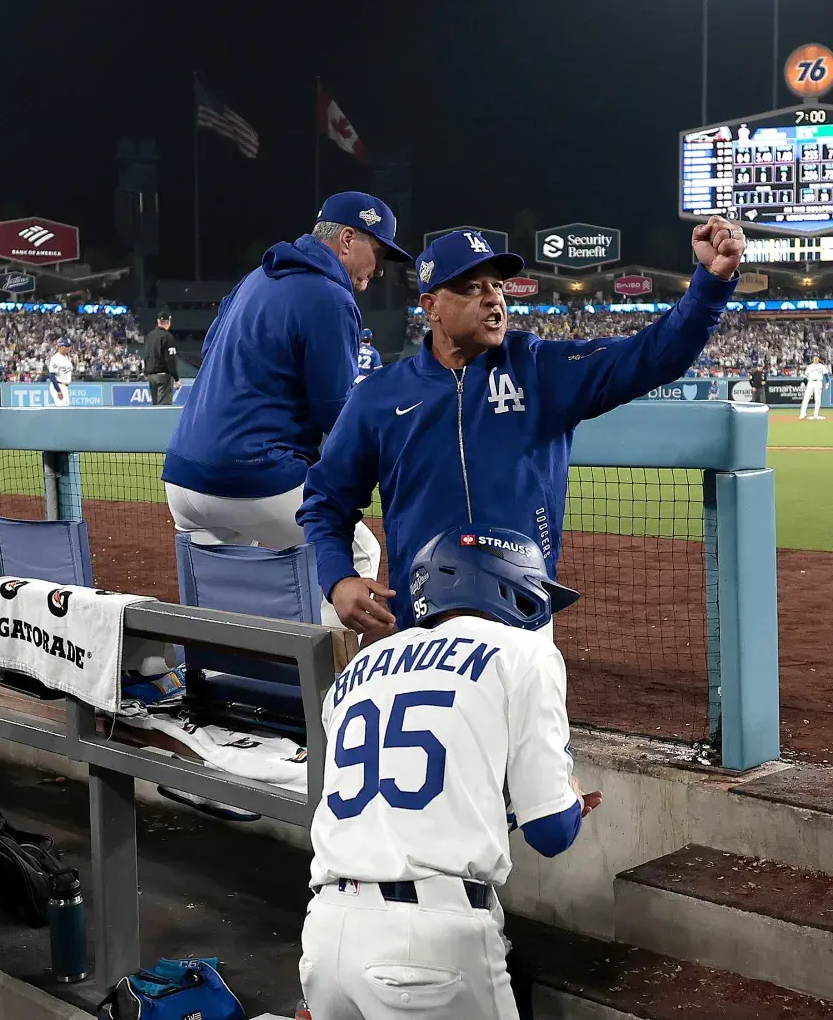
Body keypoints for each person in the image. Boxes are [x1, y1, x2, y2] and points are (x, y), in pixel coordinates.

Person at [299, 220, 743, 640]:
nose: (493, 298)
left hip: (521, 614)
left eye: (497, 285)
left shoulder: (537, 368)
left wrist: (710, 283)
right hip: (421, 620)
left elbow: (651, 355)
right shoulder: (379, 395)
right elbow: (326, 500)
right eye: (472, 287)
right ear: (431, 306)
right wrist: (339, 579)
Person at [299, 524, 599, 1020]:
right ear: (511, 586)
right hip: (428, 952)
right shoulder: (524, 654)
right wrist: (566, 799)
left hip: (327, 936)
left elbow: (401, 808)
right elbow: (551, 832)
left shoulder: (359, 668)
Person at [161, 192, 406, 624]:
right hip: (253, 475)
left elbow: (209, 348)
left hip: (181, 480)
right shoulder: (330, 295)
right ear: (347, 239)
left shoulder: (254, 279)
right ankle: (330, 684)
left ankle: (222, 678)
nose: (380, 268)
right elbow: (335, 412)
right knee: (356, 551)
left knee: (228, 592)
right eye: (379, 251)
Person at [142, 312, 178, 406]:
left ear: (158, 321)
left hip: (151, 376)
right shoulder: (168, 336)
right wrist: (176, 378)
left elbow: (146, 354)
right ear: (168, 322)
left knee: (155, 407)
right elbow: (170, 359)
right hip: (163, 376)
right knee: (164, 407)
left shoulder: (149, 336)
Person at [47, 338, 74, 407]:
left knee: (66, 410)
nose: (68, 348)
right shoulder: (55, 358)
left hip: (65, 386)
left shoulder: (67, 358)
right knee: (62, 410)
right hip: (58, 385)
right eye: (66, 346)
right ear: (61, 346)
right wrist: (58, 390)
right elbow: (52, 376)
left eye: (69, 346)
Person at [801, 355, 827, 419]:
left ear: (818, 359)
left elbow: (826, 375)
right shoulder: (810, 366)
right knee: (806, 398)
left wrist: (827, 382)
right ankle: (802, 414)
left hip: (818, 382)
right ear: (813, 359)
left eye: (816, 358)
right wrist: (803, 382)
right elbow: (806, 375)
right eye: (814, 359)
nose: (815, 360)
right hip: (810, 382)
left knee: (817, 399)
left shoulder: (822, 366)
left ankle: (816, 414)